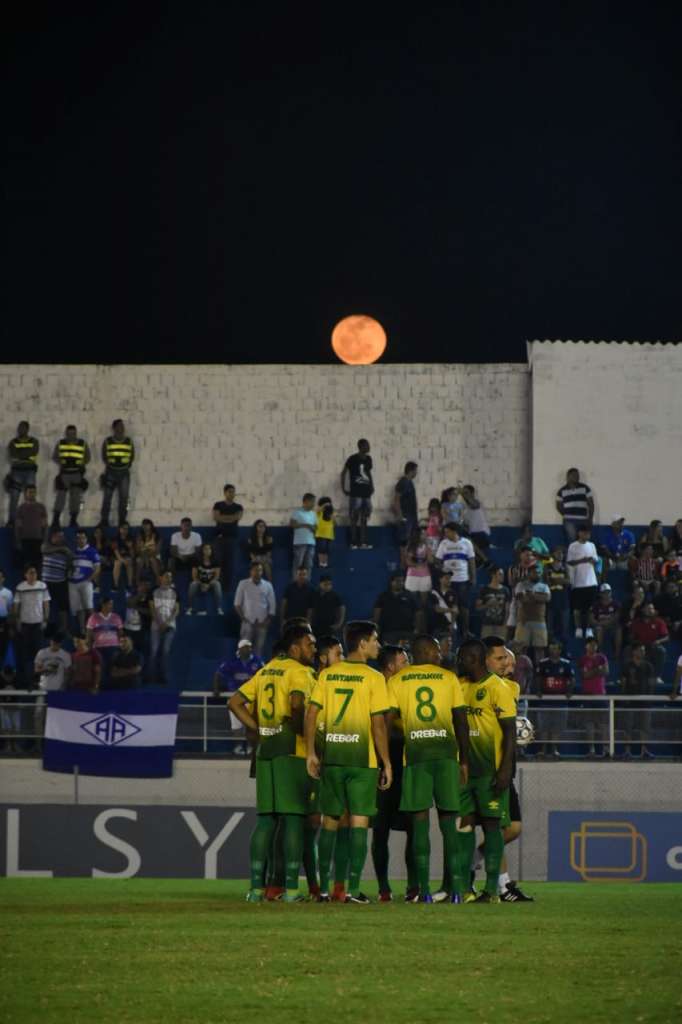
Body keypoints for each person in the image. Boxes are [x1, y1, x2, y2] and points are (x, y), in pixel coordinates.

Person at [229, 624, 318, 902]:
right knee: (293, 819)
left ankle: (255, 889)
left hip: (265, 749)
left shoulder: (265, 670)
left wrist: (257, 728)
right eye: (309, 644)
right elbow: (295, 705)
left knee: (266, 820)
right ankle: (291, 890)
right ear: (294, 648)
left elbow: (234, 702)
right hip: (292, 749)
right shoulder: (299, 672)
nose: (313, 649)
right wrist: (307, 735)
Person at [305, 620, 392, 903]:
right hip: (361, 761)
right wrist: (386, 762)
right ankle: (353, 890)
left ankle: (326, 889)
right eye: (375, 640)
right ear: (363, 643)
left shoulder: (328, 675)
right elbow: (378, 723)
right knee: (358, 821)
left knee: (330, 822)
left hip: (333, 758)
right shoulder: (374, 677)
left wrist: (310, 753)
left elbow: (311, 714)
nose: (378, 645)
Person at [386, 634, 469, 904]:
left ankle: (423, 891)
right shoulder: (449, 678)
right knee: (450, 826)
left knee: (419, 826)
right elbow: (461, 722)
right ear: (426, 651)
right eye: (435, 650)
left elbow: (386, 721)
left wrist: (384, 758)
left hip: (417, 758)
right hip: (446, 756)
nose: (440, 653)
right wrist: (464, 760)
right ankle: (456, 890)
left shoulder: (398, 680)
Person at [456, 638, 516, 903]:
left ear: (477, 659)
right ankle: (466, 885)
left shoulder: (498, 688)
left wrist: (505, 770)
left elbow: (510, 732)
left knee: (492, 826)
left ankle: (491, 890)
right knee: (466, 824)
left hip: (490, 771)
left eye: (464, 657)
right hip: (466, 770)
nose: (460, 662)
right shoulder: (460, 686)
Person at [370, 643, 416, 902]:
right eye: (404, 661)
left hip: (405, 764)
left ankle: (413, 886)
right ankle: (384, 887)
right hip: (384, 764)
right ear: (391, 666)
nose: (408, 665)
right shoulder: (378, 689)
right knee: (380, 828)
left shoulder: (407, 689)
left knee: (412, 825)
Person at [535, 642, 575, 757]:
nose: (553, 651)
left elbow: (572, 679)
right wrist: (538, 690)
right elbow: (538, 678)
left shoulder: (566, 664)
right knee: (543, 727)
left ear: (560, 650)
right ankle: (542, 750)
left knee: (557, 728)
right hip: (545, 702)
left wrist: (569, 691)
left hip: (560, 702)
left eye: (556, 648)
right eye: (551, 648)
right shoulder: (543, 663)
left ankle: (554, 749)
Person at [435, 523, 476, 637]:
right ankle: (449, 629)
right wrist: (443, 571)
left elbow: (471, 561)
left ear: (454, 531)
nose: (446, 534)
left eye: (447, 531)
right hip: (449, 580)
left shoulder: (466, 543)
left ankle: (465, 630)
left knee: (464, 606)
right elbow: (438, 560)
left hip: (462, 579)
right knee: (448, 605)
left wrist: (473, 577)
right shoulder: (444, 543)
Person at [13, 566, 50, 687]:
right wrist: (17, 621)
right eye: (30, 573)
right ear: (25, 575)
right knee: (25, 654)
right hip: (25, 625)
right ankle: (26, 681)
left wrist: (45, 619)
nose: (33, 575)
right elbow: (16, 606)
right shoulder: (20, 587)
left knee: (38, 654)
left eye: (35, 572)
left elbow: (46, 604)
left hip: (38, 624)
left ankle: (38, 680)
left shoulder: (42, 586)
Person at [619, 645, 656, 758]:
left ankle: (644, 751)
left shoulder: (648, 666)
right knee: (628, 726)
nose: (642, 652)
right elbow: (623, 682)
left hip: (645, 701)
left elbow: (651, 683)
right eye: (640, 650)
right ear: (634, 651)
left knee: (645, 727)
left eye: (644, 650)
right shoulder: (627, 665)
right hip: (629, 700)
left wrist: (649, 698)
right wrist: (624, 698)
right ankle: (627, 750)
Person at [34, 631, 71, 740]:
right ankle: (38, 744)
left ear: (61, 644)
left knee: (56, 718)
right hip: (43, 689)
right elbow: (36, 670)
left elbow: (68, 673)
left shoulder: (65, 655)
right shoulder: (42, 653)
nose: (55, 645)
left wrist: (63, 687)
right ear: (50, 641)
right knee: (38, 715)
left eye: (57, 643)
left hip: (58, 690)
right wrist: (46, 669)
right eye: (54, 642)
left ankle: (55, 741)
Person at [52, 424, 91, 528]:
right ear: (66, 433)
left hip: (77, 473)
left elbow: (88, 457)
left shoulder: (82, 443)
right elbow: (55, 456)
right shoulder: (61, 443)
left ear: (76, 433)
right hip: (65, 473)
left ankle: (73, 520)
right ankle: (56, 520)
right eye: (69, 434)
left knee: (75, 498)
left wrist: (81, 463)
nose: (71, 436)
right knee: (61, 497)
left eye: (73, 433)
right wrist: (62, 462)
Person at [233, 562, 276, 656]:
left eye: (260, 570)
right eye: (256, 570)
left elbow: (272, 607)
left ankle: (256, 670)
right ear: (251, 571)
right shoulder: (243, 584)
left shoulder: (268, 585)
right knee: (243, 650)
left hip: (262, 624)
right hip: (247, 622)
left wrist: (266, 622)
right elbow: (237, 604)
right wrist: (244, 619)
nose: (258, 572)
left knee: (258, 650)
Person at [100, 419, 134, 527]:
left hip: (124, 473)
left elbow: (132, 456)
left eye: (122, 426)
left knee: (124, 498)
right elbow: (104, 456)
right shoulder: (108, 441)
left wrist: (126, 466)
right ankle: (104, 520)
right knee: (107, 498)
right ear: (114, 428)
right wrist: (111, 467)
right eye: (119, 426)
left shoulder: (129, 441)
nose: (122, 428)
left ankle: (122, 521)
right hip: (110, 472)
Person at [566, 524, 599, 638]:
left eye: (588, 533)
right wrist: (582, 560)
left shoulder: (592, 545)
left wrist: (592, 561)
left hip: (591, 581)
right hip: (578, 582)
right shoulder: (573, 546)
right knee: (577, 608)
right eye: (584, 533)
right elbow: (570, 562)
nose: (587, 535)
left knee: (590, 608)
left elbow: (596, 561)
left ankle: (589, 628)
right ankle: (578, 628)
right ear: (579, 533)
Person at [513, 563, 551, 663]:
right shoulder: (521, 585)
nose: (537, 574)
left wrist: (532, 595)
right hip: (523, 621)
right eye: (534, 573)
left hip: (540, 621)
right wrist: (538, 597)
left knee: (540, 649)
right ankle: (520, 671)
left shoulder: (544, 586)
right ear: (529, 573)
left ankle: (540, 671)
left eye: (538, 573)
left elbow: (547, 598)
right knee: (521, 648)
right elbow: (522, 599)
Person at [578, 638, 609, 757]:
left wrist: (592, 672)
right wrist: (597, 670)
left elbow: (606, 672)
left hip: (600, 695)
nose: (593, 647)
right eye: (591, 645)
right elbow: (585, 675)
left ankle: (606, 749)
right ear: (586, 646)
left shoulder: (602, 658)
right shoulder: (583, 659)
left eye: (595, 645)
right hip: (587, 695)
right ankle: (591, 750)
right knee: (589, 724)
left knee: (603, 724)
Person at [341, 439, 374, 549]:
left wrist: (372, 485)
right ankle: (353, 542)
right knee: (354, 518)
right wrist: (343, 488)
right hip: (356, 493)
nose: (369, 447)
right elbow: (343, 472)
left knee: (364, 518)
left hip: (366, 493)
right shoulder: (352, 459)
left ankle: (363, 542)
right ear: (361, 446)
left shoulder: (369, 459)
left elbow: (368, 473)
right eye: (366, 445)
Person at [5, 421, 39, 527]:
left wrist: (21, 455)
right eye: (19, 428)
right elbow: (13, 454)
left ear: (27, 429)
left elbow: (34, 452)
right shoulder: (13, 442)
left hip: (30, 472)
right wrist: (26, 455)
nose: (20, 430)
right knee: (14, 497)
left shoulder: (34, 441)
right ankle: (12, 521)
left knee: (30, 498)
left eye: (23, 428)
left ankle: (30, 521)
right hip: (16, 472)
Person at [40, 527, 72, 635]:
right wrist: (61, 549)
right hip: (46, 582)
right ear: (53, 537)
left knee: (63, 605)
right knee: (45, 605)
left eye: (62, 536)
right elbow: (43, 550)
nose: (60, 538)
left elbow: (70, 559)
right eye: (58, 536)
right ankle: (44, 626)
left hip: (60, 581)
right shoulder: (46, 545)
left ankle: (64, 628)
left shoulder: (66, 549)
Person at [149, 571, 179, 684]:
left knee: (165, 651)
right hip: (156, 625)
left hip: (170, 626)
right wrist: (160, 623)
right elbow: (152, 609)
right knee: (154, 651)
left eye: (171, 577)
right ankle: (151, 677)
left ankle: (163, 677)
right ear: (161, 577)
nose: (169, 579)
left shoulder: (175, 592)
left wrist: (167, 623)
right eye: (166, 576)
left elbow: (176, 610)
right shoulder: (154, 591)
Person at [68, 529, 101, 633]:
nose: (80, 540)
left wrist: (89, 579)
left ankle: (93, 628)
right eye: (78, 538)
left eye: (82, 538)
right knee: (79, 607)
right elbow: (69, 566)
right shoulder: (73, 551)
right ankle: (82, 629)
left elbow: (98, 568)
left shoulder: (92, 551)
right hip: (73, 583)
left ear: (86, 539)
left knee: (89, 606)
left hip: (86, 582)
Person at [373, 572, 418, 646]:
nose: (400, 583)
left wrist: (417, 628)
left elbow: (418, 612)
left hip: (407, 632)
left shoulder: (410, 595)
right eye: (397, 581)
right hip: (388, 632)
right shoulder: (384, 596)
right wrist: (376, 628)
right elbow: (377, 612)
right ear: (391, 582)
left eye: (402, 581)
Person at [86, 597, 123, 688]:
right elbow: (89, 634)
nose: (111, 606)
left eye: (112, 604)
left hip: (113, 646)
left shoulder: (116, 617)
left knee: (112, 668)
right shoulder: (94, 617)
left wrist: (120, 645)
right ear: (103, 605)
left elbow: (120, 633)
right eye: (109, 604)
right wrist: (89, 648)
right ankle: (101, 687)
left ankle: (112, 688)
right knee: (100, 668)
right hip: (99, 647)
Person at [212, 484, 244, 588]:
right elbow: (217, 517)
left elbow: (237, 517)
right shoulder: (218, 505)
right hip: (220, 538)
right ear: (225, 493)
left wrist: (223, 518)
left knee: (230, 564)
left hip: (233, 538)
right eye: (230, 491)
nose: (232, 494)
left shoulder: (238, 507)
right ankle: (218, 585)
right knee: (219, 562)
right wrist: (231, 518)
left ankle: (228, 587)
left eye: (233, 491)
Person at [628, 603, 669, 682]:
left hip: (653, 645)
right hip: (639, 645)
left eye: (651, 609)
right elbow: (631, 637)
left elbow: (666, 637)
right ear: (643, 610)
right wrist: (635, 642)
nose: (650, 611)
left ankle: (657, 676)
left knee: (661, 651)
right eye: (647, 609)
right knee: (627, 650)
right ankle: (626, 676)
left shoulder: (659, 621)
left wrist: (658, 641)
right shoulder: (637, 622)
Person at [14, 484, 48, 573]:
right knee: (26, 566)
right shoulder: (21, 508)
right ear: (25, 494)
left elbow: (44, 525)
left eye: (33, 492)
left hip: (38, 541)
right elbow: (18, 526)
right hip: (25, 541)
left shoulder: (41, 507)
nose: (32, 494)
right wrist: (18, 541)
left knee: (38, 565)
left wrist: (44, 541)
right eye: (30, 492)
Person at [555, 468, 594, 542]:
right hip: (569, 521)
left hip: (583, 520)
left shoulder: (585, 488)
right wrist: (567, 513)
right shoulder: (561, 491)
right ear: (568, 476)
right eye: (574, 475)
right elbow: (558, 506)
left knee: (584, 541)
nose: (577, 477)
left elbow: (591, 504)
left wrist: (590, 518)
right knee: (572, 540)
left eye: (577, 475)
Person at [404, 524, 434, 615]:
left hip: (425, 576)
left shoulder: (427, 546)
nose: (425, 536)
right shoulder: (410, 546)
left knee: (423, 603)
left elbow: (430, 561)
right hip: (412, 576)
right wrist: (418, 565)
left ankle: (422, 624)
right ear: (417, 535)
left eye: (426, 534)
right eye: (423, 534)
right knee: (411, 600)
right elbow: (408, 562)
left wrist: (429, 550)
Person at [393, 462, 418, 567]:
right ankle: (403, 563)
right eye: (415, 470)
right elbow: (396, 499)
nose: (416, 473)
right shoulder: (403, 482)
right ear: (411, 470)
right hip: (406, 516)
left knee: (411, 539)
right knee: (404, 540)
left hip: (412, 516)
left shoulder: (410, 483)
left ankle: (408, 561)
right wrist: (400, 516)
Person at [187, 543, 223, 615]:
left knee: (217, 584)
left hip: (211, 582)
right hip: (199, 582)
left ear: (211, 550)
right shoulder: (196, 560)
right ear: (202, 551)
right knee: (193, 584)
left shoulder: (216, 561)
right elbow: (194, 576)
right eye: (205, 549)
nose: (207, 551)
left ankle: (219, 608)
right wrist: (202, 584)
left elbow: (217, 576)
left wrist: (208, 585)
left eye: (209, 549)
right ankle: (190, 607)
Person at [589, 583, 622, 660]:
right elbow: (591, 618)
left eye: (608, 592)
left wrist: (606, 622)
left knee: (618, 629)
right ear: (600, 594)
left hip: (612, 625)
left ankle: (617, 654)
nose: (606, 594)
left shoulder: (615, 604)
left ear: (611, 592)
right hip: (599, 626)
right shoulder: (596, 605)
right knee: (599, 629)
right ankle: (600, 654)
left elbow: (616, 617)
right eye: (604, 593)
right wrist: (599, 624)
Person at [475, 567, 510, 639]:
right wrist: (488, 604)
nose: (502, 576)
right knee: (487, 647)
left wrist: (505, 624)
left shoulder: (505, 590)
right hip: (487, 624)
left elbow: (507, 609)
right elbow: (477, 607)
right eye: (500, 574)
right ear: (493, 575)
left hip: (501, 624)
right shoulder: (484, 590)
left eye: (503, 574)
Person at [545, 546, 571, 643]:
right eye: (558, 552)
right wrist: (560, 581)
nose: (560, 555)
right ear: (553, 554)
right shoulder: (547, 566)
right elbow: (546, 582)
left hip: (563, 600)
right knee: (550, 627)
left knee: (564, 628)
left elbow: (568, 582)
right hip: (551, 600)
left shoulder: (565, 567)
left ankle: (565, 649)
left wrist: (556, 580)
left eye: (562, 553)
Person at [461, 485, 492, 564]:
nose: (464, 495)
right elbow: (466, 525)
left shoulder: (478, 503)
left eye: (466, 492)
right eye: (463, 493)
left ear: (472, 493)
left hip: (482, 533)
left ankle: (485, 560)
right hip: (473, 535)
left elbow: (474, 505)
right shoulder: (465, 509)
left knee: (469, 542)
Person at [426, 570, 459, 643]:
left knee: (451, 651)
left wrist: (452, 624)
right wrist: (451, 610)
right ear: (440, 579)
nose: (449, 580)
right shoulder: (433, 593)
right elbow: (437, 609)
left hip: (450, 626)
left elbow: (456, 610)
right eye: (447, 578)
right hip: (437, 627)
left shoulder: (453, 593)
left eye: (450, 578)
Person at [289, 493, 317, 576]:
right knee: (298, 564)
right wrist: (306, 525)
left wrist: (314, 528)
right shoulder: (297, 512)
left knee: (309, 565)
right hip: (300, 542)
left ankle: (307, 584)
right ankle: (295, 583)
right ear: (305, 501)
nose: (313, 504)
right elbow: (292, 524)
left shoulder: (313, 514)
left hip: (311, 542)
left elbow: (316, 526)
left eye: (314, 502)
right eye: (312, 501)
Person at [135, 518, 162, 587]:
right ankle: (137, 579)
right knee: (140, 560)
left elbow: (157, 551)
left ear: (151, 526)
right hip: (142, 555)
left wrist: (149, 553)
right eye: (144, 525)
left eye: (147, 525)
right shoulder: (140, 536)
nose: (145, 527)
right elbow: (138, 550)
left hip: (154, 555)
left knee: (152, 559)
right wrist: (144, 553)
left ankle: (158, 578)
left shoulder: (157, 536)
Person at [0, 666, 21, 752]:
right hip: (3, 707)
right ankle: (8, 745)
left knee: (16, 727)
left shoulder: (17, 680)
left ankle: (14, 745)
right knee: (6, 727)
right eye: (6, 676)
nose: (8, 678)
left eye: (10, 676)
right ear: (3, 674)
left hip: (15, 707)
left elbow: (24, 691)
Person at [111, 522, 135, 592]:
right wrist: (122, 560)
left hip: (128, 558)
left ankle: (129, 584)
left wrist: (130, 547)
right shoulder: (115, 539)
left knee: (129, 561)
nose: (125, 530)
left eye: (127, 529)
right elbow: (116, 552)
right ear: (119, 529)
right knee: (117, 563)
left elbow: (132, 555)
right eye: (123, 528)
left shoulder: (131, 539)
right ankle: (115, 584)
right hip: (116, 558)